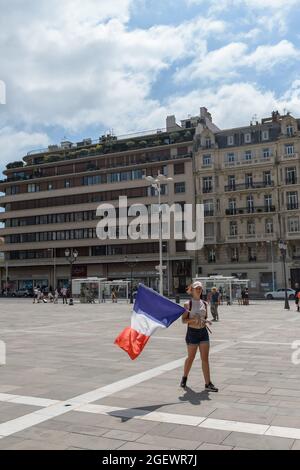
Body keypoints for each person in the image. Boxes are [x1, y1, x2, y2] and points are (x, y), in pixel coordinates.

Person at [180, 281, 218, 392]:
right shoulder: (188, 304)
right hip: (192, 333)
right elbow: (183, 320)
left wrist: (207, 321)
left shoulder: (205, 303)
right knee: (191, 358)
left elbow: (204, 317)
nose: (199, 290)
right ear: (191, 290)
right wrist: (193, 319)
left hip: (203, 332)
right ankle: (184, 377)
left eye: (200, 288)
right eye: (196, 288)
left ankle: (208, 383)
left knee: (205, 358)